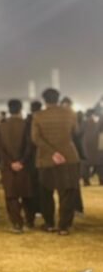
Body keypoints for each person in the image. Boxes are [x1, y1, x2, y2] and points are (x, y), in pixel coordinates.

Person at [31, 87, 80, 235]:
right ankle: (64, 226)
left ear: (44, 100)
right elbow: (76, 132)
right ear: (58, 98)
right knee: (67, 192)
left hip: (46, 159)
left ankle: (49, 223)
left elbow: (35, 138)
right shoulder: (70, 113)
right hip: (68, 157)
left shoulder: (38, 116)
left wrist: (52, 152)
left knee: (46, 192)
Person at [0, 99, 35, 233]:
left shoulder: (1, 127)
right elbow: (29, 146)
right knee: (27, 194)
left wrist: (10, 162)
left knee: (11, 195)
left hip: (8, 166)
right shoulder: (27, 125)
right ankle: (29, 221)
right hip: (25, 165)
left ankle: (17, 223)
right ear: (20, 109)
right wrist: (22, 161)